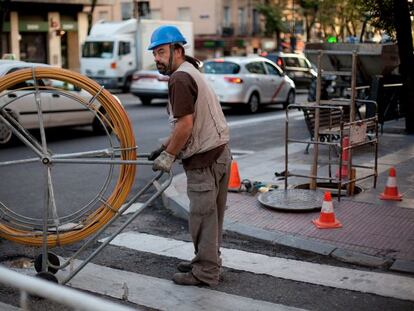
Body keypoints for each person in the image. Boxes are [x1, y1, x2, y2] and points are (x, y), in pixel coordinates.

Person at [147, 25, 231, 287]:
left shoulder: (179, 79)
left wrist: (169, 156)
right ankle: (208, 260)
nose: (157, 59)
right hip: (220, 153)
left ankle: (205, 272)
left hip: (205, 160)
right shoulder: (191, 70)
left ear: (178, 50)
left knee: (203, 218)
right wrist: (165, 146)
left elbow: (185, 125)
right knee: (213, 217)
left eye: (161, 52)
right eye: (155, 53)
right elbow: (191, 122)